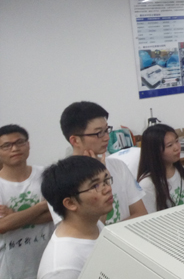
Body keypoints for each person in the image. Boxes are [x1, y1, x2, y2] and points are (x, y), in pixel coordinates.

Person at [58, 102, 146, 225]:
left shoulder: (118, 166)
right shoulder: (61, 178)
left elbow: (141, 213)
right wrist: (99, 178)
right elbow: (82, 231)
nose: (107, 137)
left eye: (106, 130)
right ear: (75, 140)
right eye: (99, 133)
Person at [38, 156, 114, 279]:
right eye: (95, 186)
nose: (108, 189)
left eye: (106, 180)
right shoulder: (62, 268)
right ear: (70, 203)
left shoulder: (93, 224)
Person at [0, 125, 54, 279]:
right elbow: (2, 226)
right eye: (6, 145)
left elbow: (58, 213)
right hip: (12, 267)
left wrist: (15, 217)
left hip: (48, 260)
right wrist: (41, 206)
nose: (15, 148)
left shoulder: (46, 175)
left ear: (28, 144)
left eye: (20, 142)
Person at [137, 124, 184, 213]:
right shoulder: (147, 184)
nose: (177, 148)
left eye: (177, 141)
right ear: (155, 151)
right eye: (170, 145)